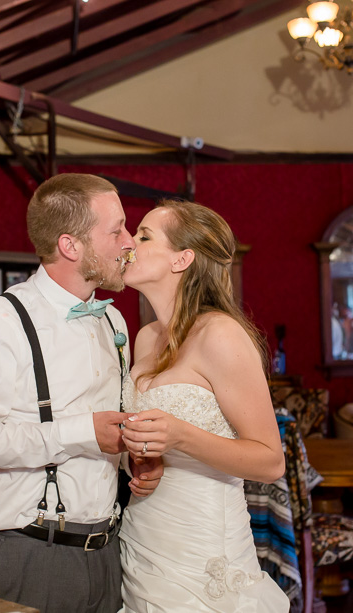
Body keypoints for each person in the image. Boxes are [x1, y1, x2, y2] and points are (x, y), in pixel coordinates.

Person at [0, 174, 163, 613]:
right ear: (71, 246)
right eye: (116, 229)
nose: (128, 242)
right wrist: (80, 432)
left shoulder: (114, 323)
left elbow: (106, 430)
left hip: (109, 552)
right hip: (30, 556)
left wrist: (133, 458)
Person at [118, 199, 290, 612]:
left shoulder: (220, 335)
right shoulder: (144, 339)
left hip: (203, 547)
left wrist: (180, 435)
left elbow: (270, 462)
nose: (129, 244)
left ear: (183, 258)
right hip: (145, 537)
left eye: (144, 236)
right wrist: (140, 462)